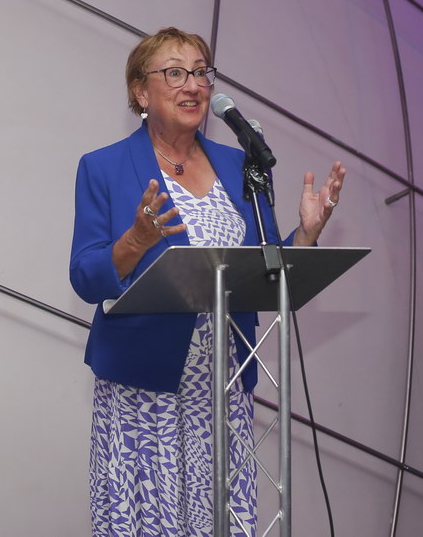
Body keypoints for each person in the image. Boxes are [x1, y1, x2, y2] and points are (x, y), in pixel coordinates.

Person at [70, 27, 345, 536]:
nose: (193, 85)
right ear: (140, 91)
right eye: (175, 72)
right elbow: (86, 277)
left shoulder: (240, 164)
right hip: (144, 391)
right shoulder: (104, 167)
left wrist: (306, 233)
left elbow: (264, 266)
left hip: (222, 391)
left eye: (201, 72)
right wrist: (135, 239)